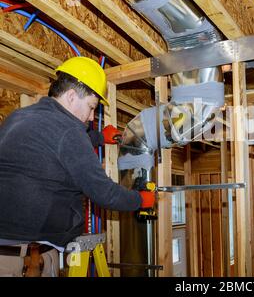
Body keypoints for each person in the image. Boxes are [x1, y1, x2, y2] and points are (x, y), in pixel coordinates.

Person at [0, 56, 152, 277]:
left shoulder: (18, 117)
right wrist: (140, 200)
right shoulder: (70, 131)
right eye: (91, 107)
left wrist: (100, 137)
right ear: (71, 96)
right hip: (28, 261)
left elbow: (54, 145)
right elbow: (104, 193)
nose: (92, 117)